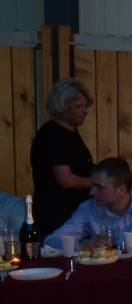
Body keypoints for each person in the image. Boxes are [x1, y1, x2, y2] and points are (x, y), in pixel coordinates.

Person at [42, 157, 132, 251]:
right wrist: (84, 245)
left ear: (121, 189)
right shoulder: (88, 208)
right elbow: (50, 242)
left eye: (99, 187)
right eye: (92, 185)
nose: (91, 192)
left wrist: (117, 244)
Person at [30, 78, 95, 238]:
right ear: (62, 106)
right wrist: (98, 183)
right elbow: (66, 180)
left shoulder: (69, 132)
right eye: (78, 106)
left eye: (85, 106)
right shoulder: (53, 135)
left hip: (72, 215)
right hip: (57, 217)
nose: (84, 111)